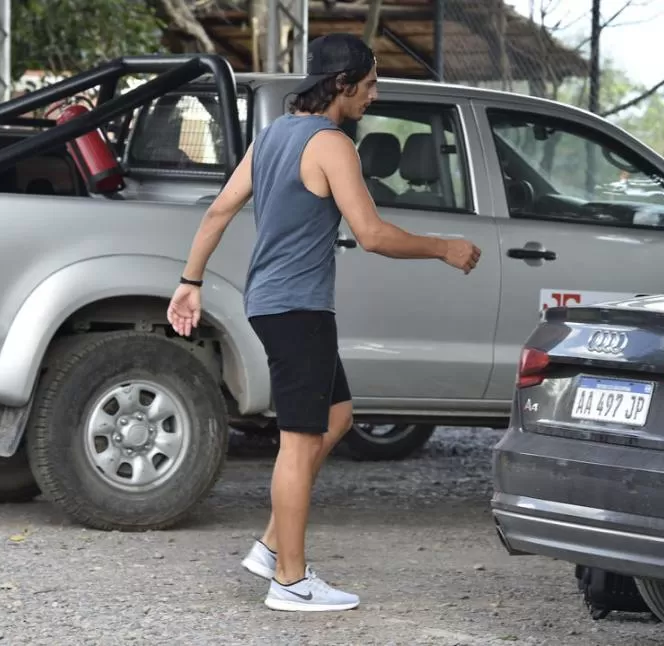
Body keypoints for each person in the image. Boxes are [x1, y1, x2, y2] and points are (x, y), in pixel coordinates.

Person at [165, 32, 481, 612]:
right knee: (298, 439)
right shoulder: (332, 144)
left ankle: (269, 545)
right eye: (369, 84)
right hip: (299, 309)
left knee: (337, 418)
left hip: (274, 303)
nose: (374, 95)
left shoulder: (273, 137)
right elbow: (374, 234)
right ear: (341, 86)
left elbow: (218, 209)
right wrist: (443, 248)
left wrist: (190, 282)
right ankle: (289, 580)